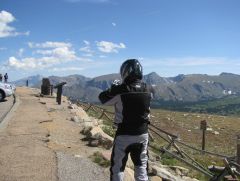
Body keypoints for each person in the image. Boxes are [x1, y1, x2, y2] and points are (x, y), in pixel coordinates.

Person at [99, 59, 152, 181]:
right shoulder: (148, 89)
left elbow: (103, 98)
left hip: (124, 134)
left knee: (117, 168)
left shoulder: (121, 90)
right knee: (141, 166)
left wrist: (113, 88)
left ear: (126, 72)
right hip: (143, 134)